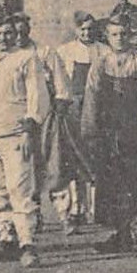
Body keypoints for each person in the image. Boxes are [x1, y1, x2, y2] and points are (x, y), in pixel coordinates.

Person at [81, 15, 137, 257]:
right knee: (113, 184)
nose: (120, 39)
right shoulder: (101, 63)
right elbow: (92, 98)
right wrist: (90, 131)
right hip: (110, 134)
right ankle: (121, 234)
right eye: (115, 34)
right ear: (107, 37)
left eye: (124, 34)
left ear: (131, 35)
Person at [0, 17, 49, 267]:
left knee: (20, 190)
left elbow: (38, 97)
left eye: (7, 33)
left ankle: (27, 244)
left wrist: (29, 129)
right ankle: (6, 239)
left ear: (14, 34)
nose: (2, 38)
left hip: (15, 135)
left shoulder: (27, 58)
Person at [18, 13, 87, 235]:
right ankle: (33, 216)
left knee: (55, 167)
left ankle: (65, 215)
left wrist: (57, 111)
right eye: (15, 32)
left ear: (29, 29)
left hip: (47, 117)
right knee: (25, 169)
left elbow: (62, 85)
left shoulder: (45, 53)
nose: (19, 36)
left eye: (23, 31)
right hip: (19, 120)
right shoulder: (10, 57)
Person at [50, 11, 103, 230]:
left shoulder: (103, 51)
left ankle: (93, 210)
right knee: (71, 159)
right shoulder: (65, 52)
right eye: (83, 29)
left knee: (93, 158)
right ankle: (73, 210)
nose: (87, 33)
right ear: (76, 29)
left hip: (96, 109)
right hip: (72, 110)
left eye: (90, 29)